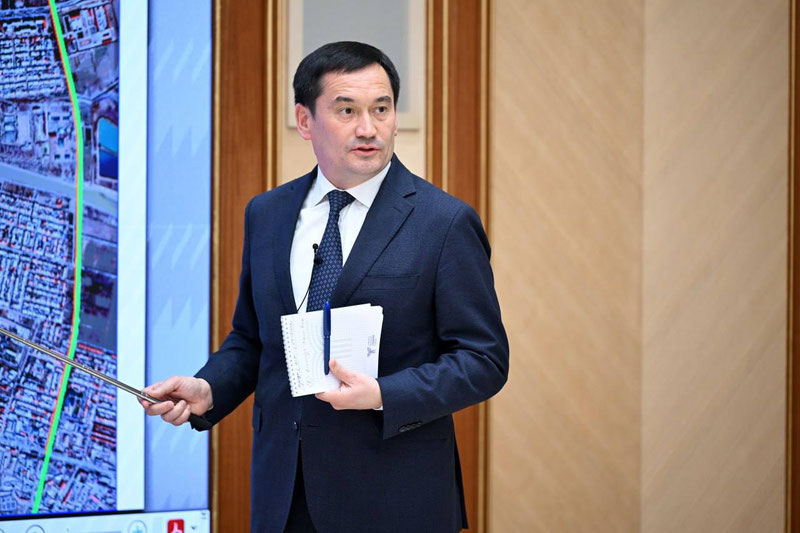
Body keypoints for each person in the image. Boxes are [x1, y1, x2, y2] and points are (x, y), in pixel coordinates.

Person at [141, 41, 509, 532]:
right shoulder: (267, 213)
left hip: (394, 497)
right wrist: (209, 388)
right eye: (347, 110)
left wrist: (382, 393)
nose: (368, 128)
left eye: (381, 109)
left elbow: (483, 360)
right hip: (284, 494)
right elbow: (253, 339)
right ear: (305, 120)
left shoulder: (443, 222)